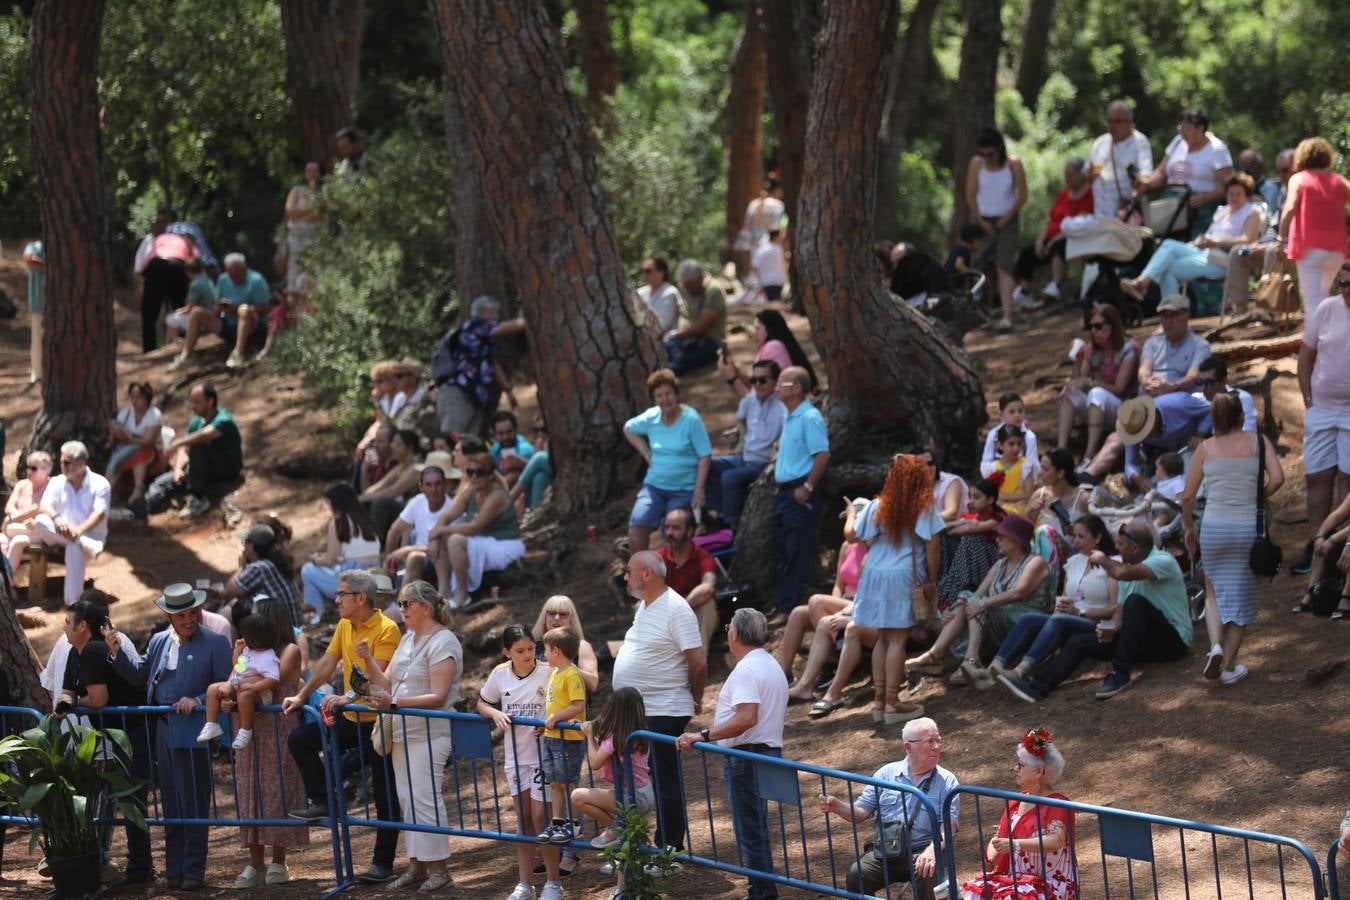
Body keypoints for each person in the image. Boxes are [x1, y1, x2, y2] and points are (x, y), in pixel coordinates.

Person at [105, 582, 231, 891]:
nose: (188, 620)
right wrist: (117, 651)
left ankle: (192, 869)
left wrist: (199, 700)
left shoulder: (215, 642)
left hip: (195, 726)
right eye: (181, 615)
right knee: (171, 800)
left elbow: (229, 684)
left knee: (194, 799)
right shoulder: (160, 640)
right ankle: (173, 868)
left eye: (192, 613)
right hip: (162, 725)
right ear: (169, 616)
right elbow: (141, 675)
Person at [282, 571, 403, 883]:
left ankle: (383, 864)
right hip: (352, 718)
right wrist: (301, 695)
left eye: (341, 594)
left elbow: (381, 677)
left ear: (360, 598)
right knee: (300, 740)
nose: (335, 600)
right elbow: (326, 663)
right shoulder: (344, 625)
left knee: (385, 794)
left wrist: (346, 695)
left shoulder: (387, 629)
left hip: (380, 723)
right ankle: (325, 800)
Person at [357, 580, 462, 893]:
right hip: (403, 732)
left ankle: (440, 869)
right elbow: (387, 684)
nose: (401, 609)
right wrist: (367, 661)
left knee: (424, 798)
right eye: (400, 604)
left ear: (425, 607)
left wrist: (395, 703)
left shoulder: (444, 640)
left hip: (430, 732)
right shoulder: (407, 639)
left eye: (406, 604)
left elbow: (439, 695)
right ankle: (416, 866)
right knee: (408, 799)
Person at [820, 455, 942, 723]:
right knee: (897, 639)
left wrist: (852, 513)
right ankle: (892, 702)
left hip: (874, 573)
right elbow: (932, 545)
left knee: (882, 639)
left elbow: (852, 535)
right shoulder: (923, 507)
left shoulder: (877, 505)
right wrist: (932, 578)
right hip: (902, 576)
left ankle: (878, 702)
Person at [676, 609, 788, 900]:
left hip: (748, 756)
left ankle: (762, 893)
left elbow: (746, 718)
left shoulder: (747, 669)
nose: (727, 632)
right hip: (766, 752)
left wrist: (702, 736)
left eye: (728, 627)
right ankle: (762, 889)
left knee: (750, 828)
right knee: (757, 826)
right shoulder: (770, 664)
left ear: (735, 634)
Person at [1181, 393, 1284, 685]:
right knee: (1243, 597)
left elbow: (1188, 495)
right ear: (1241, 416)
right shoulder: (1259, 442)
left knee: (1211, 592)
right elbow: (1277, 479)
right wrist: (1258, 498)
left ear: (1213, 419)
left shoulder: (1205, 448)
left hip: (1213, 527)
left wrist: (1189, 526)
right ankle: (1227, 667)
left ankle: (1214, 646)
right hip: (1245, 529)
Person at [611, 551, 707, 851]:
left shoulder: (676, 608)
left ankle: (670, 846)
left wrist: (696, 697)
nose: (625, 577)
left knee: (663, 778)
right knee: (638, 778)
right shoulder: (644, 606)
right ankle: (639, 846)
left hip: (665, 707)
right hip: (641, 709)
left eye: (629, 571)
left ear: (647, 574)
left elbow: (698, 662)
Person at [54, 599, 153, 888]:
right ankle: (123, 865)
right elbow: (67, 690)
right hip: (111, 734)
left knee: (133, 800)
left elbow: (98, 700)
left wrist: (74, 704)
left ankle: (141, 868)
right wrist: (66, 700)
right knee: (119, 799)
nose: (63, 626)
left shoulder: (96, 651)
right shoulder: (76, 652)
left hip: (132, 732)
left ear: (82, 626)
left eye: (67, 622)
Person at [819, 717, 959, 898]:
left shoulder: (947, 780)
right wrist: (836, 806)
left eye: (938, 740)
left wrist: (932, 851)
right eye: (929, 742)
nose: (936, 746)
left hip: (923, 850)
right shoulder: (886, 774)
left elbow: (949, 826)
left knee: (928, 870)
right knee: (857, 874)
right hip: (887, 850)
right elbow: (861, 812)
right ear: (908, 747)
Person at [912, 514, 1052, 689]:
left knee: (973, 601)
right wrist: (954, 609)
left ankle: (963, 657)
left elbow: (1019, 593)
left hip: (1023, 620)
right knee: (967, 598)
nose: (997, 539)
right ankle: (953, 656)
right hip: (997, 620)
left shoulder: (1035, 562)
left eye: (1002, 536)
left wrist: (983, 603)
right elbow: (976, 595)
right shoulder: (999, 565)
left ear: (1016, 540)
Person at [226, 595, 308, 888]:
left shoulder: (289, 650)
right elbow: (234, 680)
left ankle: (279, 861)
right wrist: (230, 692)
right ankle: (254, 862)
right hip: (250, 731)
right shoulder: (250, 651)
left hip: (279, 729)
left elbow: (272, 680)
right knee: (251, 792)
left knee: (278, 791)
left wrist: (241, 683)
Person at [479, 624, 563, 900]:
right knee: (524, 821)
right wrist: (494, 714)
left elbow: (565, 703)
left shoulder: (549, 672)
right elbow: (482, 703)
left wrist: (551, 722)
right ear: (507, 652)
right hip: (515, 758)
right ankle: (525, 885)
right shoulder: (500, 674)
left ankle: (553, 883)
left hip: (543, 756)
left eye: (531, 649)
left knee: (543, 819)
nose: (528, 655)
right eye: (520, 651)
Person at [990, 515, 1119, 692]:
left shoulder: (1113, 564)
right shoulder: (1073, 562)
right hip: (1070, 618)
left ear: (1097, 538)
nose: (1076, 541)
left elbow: (1115, 607)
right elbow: (1066, 596)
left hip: (1095, 623)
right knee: (1028, 618)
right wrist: (1062, 607)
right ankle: (995, 666)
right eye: (1074, 536)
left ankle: (1022, 670)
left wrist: (1079, 611)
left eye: (1081, 537)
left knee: (1058, 621)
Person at [959, 729, 1076, 900]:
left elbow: (1055, 841)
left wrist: (1015, 844)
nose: (1015, 769)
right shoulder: (1015, 801)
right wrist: (991, 855)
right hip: (1017, 879)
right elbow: (1000, 836)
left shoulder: (1057, 803)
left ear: (1039, 772)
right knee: (974, 893)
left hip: (1050, 882)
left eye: (1021, 765)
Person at [1122, 174, 1263, 304]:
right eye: (1231, 194)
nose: (1233, 197)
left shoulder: (1252, 212)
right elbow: (1210, 234)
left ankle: (1159, 303)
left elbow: (1248, 240)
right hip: (1206, 252)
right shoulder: (1223, 211)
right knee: (1168, 245)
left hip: (1224, 259)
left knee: (1166, 267)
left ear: (1247, 196)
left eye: (1238, 194)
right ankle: (1147, 289)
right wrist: (1199, 242)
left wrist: (1216, 243)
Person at [1292, 266, 1350, 576]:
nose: (1345, 290)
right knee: (1317, 477)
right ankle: (1316, 543)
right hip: (1323, 410)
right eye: (1343, 283)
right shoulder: (1327, 309)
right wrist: (1309, 402)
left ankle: (1343, 547)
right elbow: (1305, 358)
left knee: (1348, 481)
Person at [623, 368, 712, 553]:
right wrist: (646, 452)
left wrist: (698, 490)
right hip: (654, 487)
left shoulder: (691, 420)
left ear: (677, 394)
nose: (665, 400)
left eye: (668, 394)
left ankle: (674, 577)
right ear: (654, 399)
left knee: (673, 533)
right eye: (659, 396)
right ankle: (640, 577)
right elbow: (628, 428)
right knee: (637, 527)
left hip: (682, 489)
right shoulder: (652, 417)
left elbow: (705, 455)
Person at [129, 382, 243, 520]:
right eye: (192, 402)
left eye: (197, 402)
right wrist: (178, 469)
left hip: (226, 469)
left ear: (210, 401)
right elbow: (184, 449)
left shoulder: (224, 420)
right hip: (198, 469)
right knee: (163, 482)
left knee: (198, 446)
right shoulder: (196, 421)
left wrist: (177, 442)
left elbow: (204, 435)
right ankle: (135, 511)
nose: (192, 406)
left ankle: (198, 499)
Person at [426, 450, 525, 607]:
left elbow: (474, 527)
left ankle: (462, 594)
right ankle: (443, 591)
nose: (474, 477)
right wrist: (434, 538)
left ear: (490, 475)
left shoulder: (497, 496)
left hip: (505, 545)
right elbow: (446, 517)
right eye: (470, 472)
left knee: (455, 540)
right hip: (484, 542)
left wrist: (440, 531)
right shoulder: (471, 492)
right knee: (445, 536)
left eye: (479, 473)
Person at [771, 365, 830, 623]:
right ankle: (783, 603)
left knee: (795, 549)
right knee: (784, 549)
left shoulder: (809, 417)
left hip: (799, 492)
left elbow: (823, 454)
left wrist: (807, 488)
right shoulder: (790, 416)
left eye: (780, 383)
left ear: (795, 388)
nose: (775, 387)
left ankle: (789, 608)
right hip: (785, 493)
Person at [778, 537, 868, 700]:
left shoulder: (875, 546)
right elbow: (838, 585)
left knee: (817, 601)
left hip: (860, 603)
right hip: (842, 601)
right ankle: (782, 677)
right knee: (798, 613)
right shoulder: (847, 546)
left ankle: (834, 658)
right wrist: (834, 609)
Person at [25, 441, 111, 606]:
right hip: (64, 534)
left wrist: (79, 531)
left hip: (90, 535)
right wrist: (57, 518)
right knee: (42, 521)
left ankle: (72, 603)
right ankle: (73, 602)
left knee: (73, 547)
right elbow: (44, 506)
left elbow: (99, 514)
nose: (62, 466)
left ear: (81, 463)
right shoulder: (58, 482)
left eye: (67, 462)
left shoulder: (100, 483)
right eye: (61, 462)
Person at [572, 687, 654, 856]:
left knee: (577, 797)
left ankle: (617, 829)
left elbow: (595, 763)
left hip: (632, 797)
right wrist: (585, 727)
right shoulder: (639, 731)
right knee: (628, 843)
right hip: (646, 792)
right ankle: (621, 833)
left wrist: (588, 735)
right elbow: (600, 732)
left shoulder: (615, 738)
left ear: (614, 710)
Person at [431, 294, 527, 436]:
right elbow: (512, 326)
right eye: (496, 312)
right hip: (458, 393)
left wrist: (509, 391)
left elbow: (492, 365)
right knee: (452, 439)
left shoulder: (481, 342)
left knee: (470, 443)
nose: (498, 317)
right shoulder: (475, 325)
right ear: (486, 312)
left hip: (473, 395)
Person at [707, 358, 785, 527]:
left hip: (763, 463)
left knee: (730, 477)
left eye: (763, 380)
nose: (757, 384)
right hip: (745, 457)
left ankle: (731, 524)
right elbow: (741, 421)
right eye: (753, 380)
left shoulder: (782, 406)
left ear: (775, 381)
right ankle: (715, 514)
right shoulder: (750, 400)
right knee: (709, 465)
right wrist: (739, 434)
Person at [965, 128, 1028, 332]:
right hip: (983, 221)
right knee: (980, 267)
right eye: (983, 154)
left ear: (999, 149)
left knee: (1004, 266)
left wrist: (1005, 219)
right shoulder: (976, 164)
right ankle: (983, 313)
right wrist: (982, 223)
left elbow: (1022, 195)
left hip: (1007, 220)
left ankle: (1007, 316)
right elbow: (970, 196)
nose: (987, 158)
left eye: (990, 154)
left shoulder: (1013, 164)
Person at [1276, 137, 1350, 313]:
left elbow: (1289, 208)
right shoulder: (1339, 181)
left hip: (1310, 249)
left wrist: (1280, 237)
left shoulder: (1299, 179)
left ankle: (1315, 340)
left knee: (1312, 301)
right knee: (1322, 296)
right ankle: (1327, 337)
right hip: (1336, 251)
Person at [1057, 304, 1139, 458]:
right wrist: (1078, 359)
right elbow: (1077, 383)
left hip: (1121, 408)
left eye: (1099, 326)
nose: (1094, 331)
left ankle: (1089, 453)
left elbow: (1120, 388)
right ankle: (1061, 450)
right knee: (1068, 392)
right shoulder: (1091, 350)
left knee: (1097, 393)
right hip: (1095, 408)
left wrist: (1091, 383)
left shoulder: (1128, 349)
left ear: (1112, 326)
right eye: (1091, 327)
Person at [1139, 107, 1234, 236]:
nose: (1183, 134)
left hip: (1201, 210)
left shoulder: (1217, 149)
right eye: (1180, 128)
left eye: (1187, 129)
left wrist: (1204, 198)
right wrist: (1146, 183)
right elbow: (1161, 172)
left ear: (1200, 129)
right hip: (1171, 205)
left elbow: (1230, 185)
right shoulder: (1178, 142)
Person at [1014, 156, 1094, 305]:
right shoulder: (1064, 194)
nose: (1067, 179)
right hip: (1050, 236)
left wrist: (1055, 239)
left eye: (1070, 175)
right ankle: (1025, 292)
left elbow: (1082, 222)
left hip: (1071, 237)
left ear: (1080, 175)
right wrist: (1040, 240)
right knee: (1026, 253)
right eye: (1065, 175)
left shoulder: (1090, 194)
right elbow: (1050, 220)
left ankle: (1054, 286)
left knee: (1058, 247)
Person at [1224, 148, 1295, 314]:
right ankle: (1240, 312)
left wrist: (1274, 244)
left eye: (1285, 170)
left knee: (1272, 251)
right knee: (1238, 252)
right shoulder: (1283, 193)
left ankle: (1269, 311)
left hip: (1295, 250)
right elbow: (1276, 227)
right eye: (1279, 171)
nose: (1282, 175)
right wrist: (1258, 244)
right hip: (1276, 245)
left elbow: (1299, 231)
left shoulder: (1303, 192)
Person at [535, 628, 588, 851]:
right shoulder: (555, 673)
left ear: (556, 651)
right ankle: (557, 822)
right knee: (555, 782)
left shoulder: (572, 674)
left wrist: (555, 717)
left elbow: (578, 705)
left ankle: (573, 823)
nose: (544, 654)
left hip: (569, 739)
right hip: (552, 736)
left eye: (546, 649)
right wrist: (546, 722)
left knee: (568, 781)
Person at [173, 252, 270, 370]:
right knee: (196, 312)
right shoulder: (223, 279)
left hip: (252, 325)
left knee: (243, 310)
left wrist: (237, 308)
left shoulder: (256, 280)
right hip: (227, 324)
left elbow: (265, 308)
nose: (233, 278)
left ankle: (237, 353)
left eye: (237, 274)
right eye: (231, 274)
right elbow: (216, 304)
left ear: (244, 268)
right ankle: (186, 356)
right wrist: (219, 307)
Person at [196, 612, 280, 749]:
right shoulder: (248, 651)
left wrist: (255, 687)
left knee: (245, 696)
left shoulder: (268, 656)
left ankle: (245, 730)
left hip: (259, 694)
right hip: (240, 687)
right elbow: (238, 668)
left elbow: (272, 679)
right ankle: (212, 723)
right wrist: (237, 651)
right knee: (212, 689)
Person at [301, 484, 382, 622]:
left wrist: (315, 560)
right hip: (376, 577)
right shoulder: (366, 520)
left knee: (307, 570)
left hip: (353, 580)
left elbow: (331, 559)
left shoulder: (339, 522)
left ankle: (320, 613)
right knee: (335, 569)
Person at [134, 207, 197, 353]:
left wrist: (144, 282)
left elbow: (144, 264)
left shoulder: (158, 238)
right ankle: (180, 345)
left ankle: (148, 350)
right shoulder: (186, 239)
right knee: (178, 306)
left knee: (149, 312)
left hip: (155, 266)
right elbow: (195, 261)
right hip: (178, 267)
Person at [656, 507, 720, 650]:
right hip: (665, 617)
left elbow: (708, 587)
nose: (670, 533)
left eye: (676, 528)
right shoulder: (658, 557)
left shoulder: (703, 557)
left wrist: (681, 608)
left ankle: (698, 664)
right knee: (642, 605)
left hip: (693, 615)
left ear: (690, 531)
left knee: (707, 603)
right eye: (667, 528)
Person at [217, 523, 303, 628]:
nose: (243, 547)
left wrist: (241, 567)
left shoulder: (258, 568)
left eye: (245, 543)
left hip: (282, 631)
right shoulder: (278, 561)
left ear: (252, 547)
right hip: (294, 626)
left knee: (229, 608)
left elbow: (228, 593)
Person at [382, 463, 451, 589]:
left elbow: (444, 547)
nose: (433, 489)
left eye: (438, 484)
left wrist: (407, 549)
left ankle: (402, 604)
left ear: (445, 485)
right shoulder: (418, 501)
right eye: (429, 485)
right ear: (421, 487)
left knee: (414, 557)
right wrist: (389, 561)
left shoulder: (452, 508)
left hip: (441, 560)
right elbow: (394, 531)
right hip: (421, 556)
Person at [721, 309, 817, 394]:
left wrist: (732, 379)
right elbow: (755, 384)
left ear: (768, 330)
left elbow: (757, 396)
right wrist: (733, 369)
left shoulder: (773, 347)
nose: (754, 333)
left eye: (757, 328)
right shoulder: (769, 347)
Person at [1088, 100, 1153, 220]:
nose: (1112, 126)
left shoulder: (1139, 142)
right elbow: (1090, 174)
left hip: (1125, 214)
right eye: (1109, 121)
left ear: (1129, 122)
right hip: (1100, 212)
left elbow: (1146, 176)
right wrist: (1090, 174)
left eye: (1117, 121)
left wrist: (1138, 186)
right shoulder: (1100, 143)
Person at [664, 259, 727, 375]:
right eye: (685, 286)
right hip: (687, 339)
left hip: (710, 341)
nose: (687, 289)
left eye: (690, 286)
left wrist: (676, 334)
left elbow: (701, 327)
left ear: (700, 278)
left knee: (678, 364)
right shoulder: (685, 288)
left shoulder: (713, 290)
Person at [360, 428, 424, 539]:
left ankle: (377, 543)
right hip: (402, 511)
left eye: (398, 444)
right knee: (367, 501)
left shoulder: (416, 468)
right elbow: (378, 486)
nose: (393, 446)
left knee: (380, 502)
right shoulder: (400, 467)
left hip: (412, 512)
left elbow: (393, 491)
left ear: (409, 447)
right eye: (393, 443)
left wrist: (361, 498)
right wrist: (361, 497)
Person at [106, 382, 164, 505]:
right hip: (126, 448)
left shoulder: (154, 416)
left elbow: (148, 441)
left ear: (146, 398)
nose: (134, 400)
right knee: (120, 456)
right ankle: (107, 492)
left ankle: (138, 488)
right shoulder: (126, 413)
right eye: (132, 396)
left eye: (138, 397)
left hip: (150, 453)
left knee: (139, 453)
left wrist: (129, 438)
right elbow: (116, 428)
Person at [2, 450, 52, 565]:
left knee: (17, 541)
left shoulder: (51, 487)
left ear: (47, 470)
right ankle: (7, 579)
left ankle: (7, 580)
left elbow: (37, 508)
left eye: (34, 468)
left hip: (38, 531)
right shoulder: (22, 484)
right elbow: (9, 507)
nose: (29, 471)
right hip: (18, 527)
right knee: (1, 540)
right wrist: (17, 518)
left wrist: (12, 519)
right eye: (28, 467)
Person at [980, 392, 1041, 480]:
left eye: (1020, 411)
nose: (1017, 415)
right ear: (1000, 414)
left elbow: (1034, 466)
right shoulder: (993, 435)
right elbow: (986, 463)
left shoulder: (1029, 437)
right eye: (1012, 412)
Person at [283, 161, 323, 291]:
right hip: (297, 240)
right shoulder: (297, 190)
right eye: (309, 171)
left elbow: (319, 214)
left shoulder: (323, 192)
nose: (312, 174)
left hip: (316, 240)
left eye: (315, 171)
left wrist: (300, 215)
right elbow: (289, 212)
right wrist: (309, 212)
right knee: (294, 274)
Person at [1193, 356, 1258, 434]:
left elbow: (1248, 433)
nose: (1203, 387)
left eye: (1209, 382)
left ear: (1223, 381)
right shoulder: (1195, 400)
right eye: (1200, 382)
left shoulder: (1241, 398)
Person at [512, 413, 553, 513]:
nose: (540, 433)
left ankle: (510, 497)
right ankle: (534, 511)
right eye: (536, 430)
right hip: (548, 476)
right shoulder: (539, 442)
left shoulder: (556, 440)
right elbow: (533, 469)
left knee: (540, 457)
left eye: (544, 429)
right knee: (539, 477)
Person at [990, 426, 1032, 515]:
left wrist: (1004, 497)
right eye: (1011, 444)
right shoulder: (992, 468)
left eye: (1019, 444)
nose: (1016, 448)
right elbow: (992, 496)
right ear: (1000, 445)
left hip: (1021, 509)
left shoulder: (1026, 465)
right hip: (999, 508)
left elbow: (1028, 494)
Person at [490, 410, 536, 486]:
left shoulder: (525, 449)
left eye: (509, 432)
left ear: (515, 430)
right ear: (494, 434)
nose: (505, 437)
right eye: (501, 433)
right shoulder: (494, 450)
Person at [637, 256, 680, 333]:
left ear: (661, 273)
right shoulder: (641, 292)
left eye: (648, 271)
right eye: (642, 271)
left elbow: (662, 326)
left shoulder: (670, 293)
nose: (644, 274)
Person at [22, 239, 43, 384]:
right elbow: (30, 261)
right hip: (37, 301)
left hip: (55, 304)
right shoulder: (34, 246)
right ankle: (37, 373)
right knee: (36, 339)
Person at [751, 229, 787, 301]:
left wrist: (759, 279)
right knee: (775, 302)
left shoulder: (760, 249)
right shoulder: (779, 249)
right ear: (776, 237)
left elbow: (755, 267)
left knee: (770, 302)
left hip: (766, 281)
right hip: (778, 280)